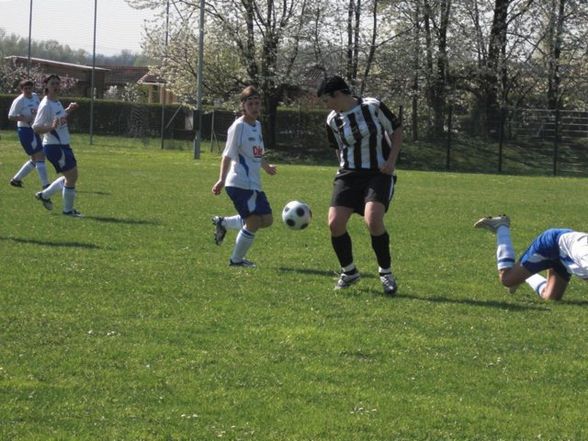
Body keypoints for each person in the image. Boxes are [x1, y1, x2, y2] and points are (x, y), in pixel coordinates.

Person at [317, 75, 402, 294]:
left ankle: (386, 273)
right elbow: (336, 146)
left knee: (373, 221)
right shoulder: (332, 120)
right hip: (348, 174)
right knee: (335, 224)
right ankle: (349, 271)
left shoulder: (372, 106)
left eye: (326, 99)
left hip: (378, 173)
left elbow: (397, 130)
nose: (326, 105)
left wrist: (391, 162)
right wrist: (343, 168)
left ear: (337, 94)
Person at [211, 85, 277, 268]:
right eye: (250, 103)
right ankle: (236, 260)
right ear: (243, 105)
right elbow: (227, 154)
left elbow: (257, 154)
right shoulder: (238, 127)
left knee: (267, 219)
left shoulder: (257, 125)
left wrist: (266, 167)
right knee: (254, 221)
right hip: (239, 182)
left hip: (253, 183)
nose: (254, 107)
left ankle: (223, 223)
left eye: (257, 103)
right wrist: (221, 180)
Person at [475, 215, 588, 300]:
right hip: (551, 244)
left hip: (565, 256)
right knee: (507, 279)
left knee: (550, 297)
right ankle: (501, 226)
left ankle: (525, 276)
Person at [32, 74, 82, 217]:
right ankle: (67, 211)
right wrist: (50, 128)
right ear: (46, 86)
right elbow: (36, 127)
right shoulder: (46, 104)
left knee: (71, 176)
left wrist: (68, 110)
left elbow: (59, 118)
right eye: (53, 83)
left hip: (63, 145)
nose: (56, 86)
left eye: (57, 84)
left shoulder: (56, 102)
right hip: (54, 146)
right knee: (71, 177)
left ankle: (45, 195)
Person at [7, 79, 50, 189]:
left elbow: (39, 109)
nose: (28, 90)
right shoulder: (19, 100)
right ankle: (46, 185)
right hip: (25, 131)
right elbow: (11, 116)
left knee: (35, 159)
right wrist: (24, 118)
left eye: (29, 88)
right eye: (25, 88)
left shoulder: (35, 96)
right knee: (40, 155)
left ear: (32, 88)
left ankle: (16, 180)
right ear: (21, 89)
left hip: (35, 129)